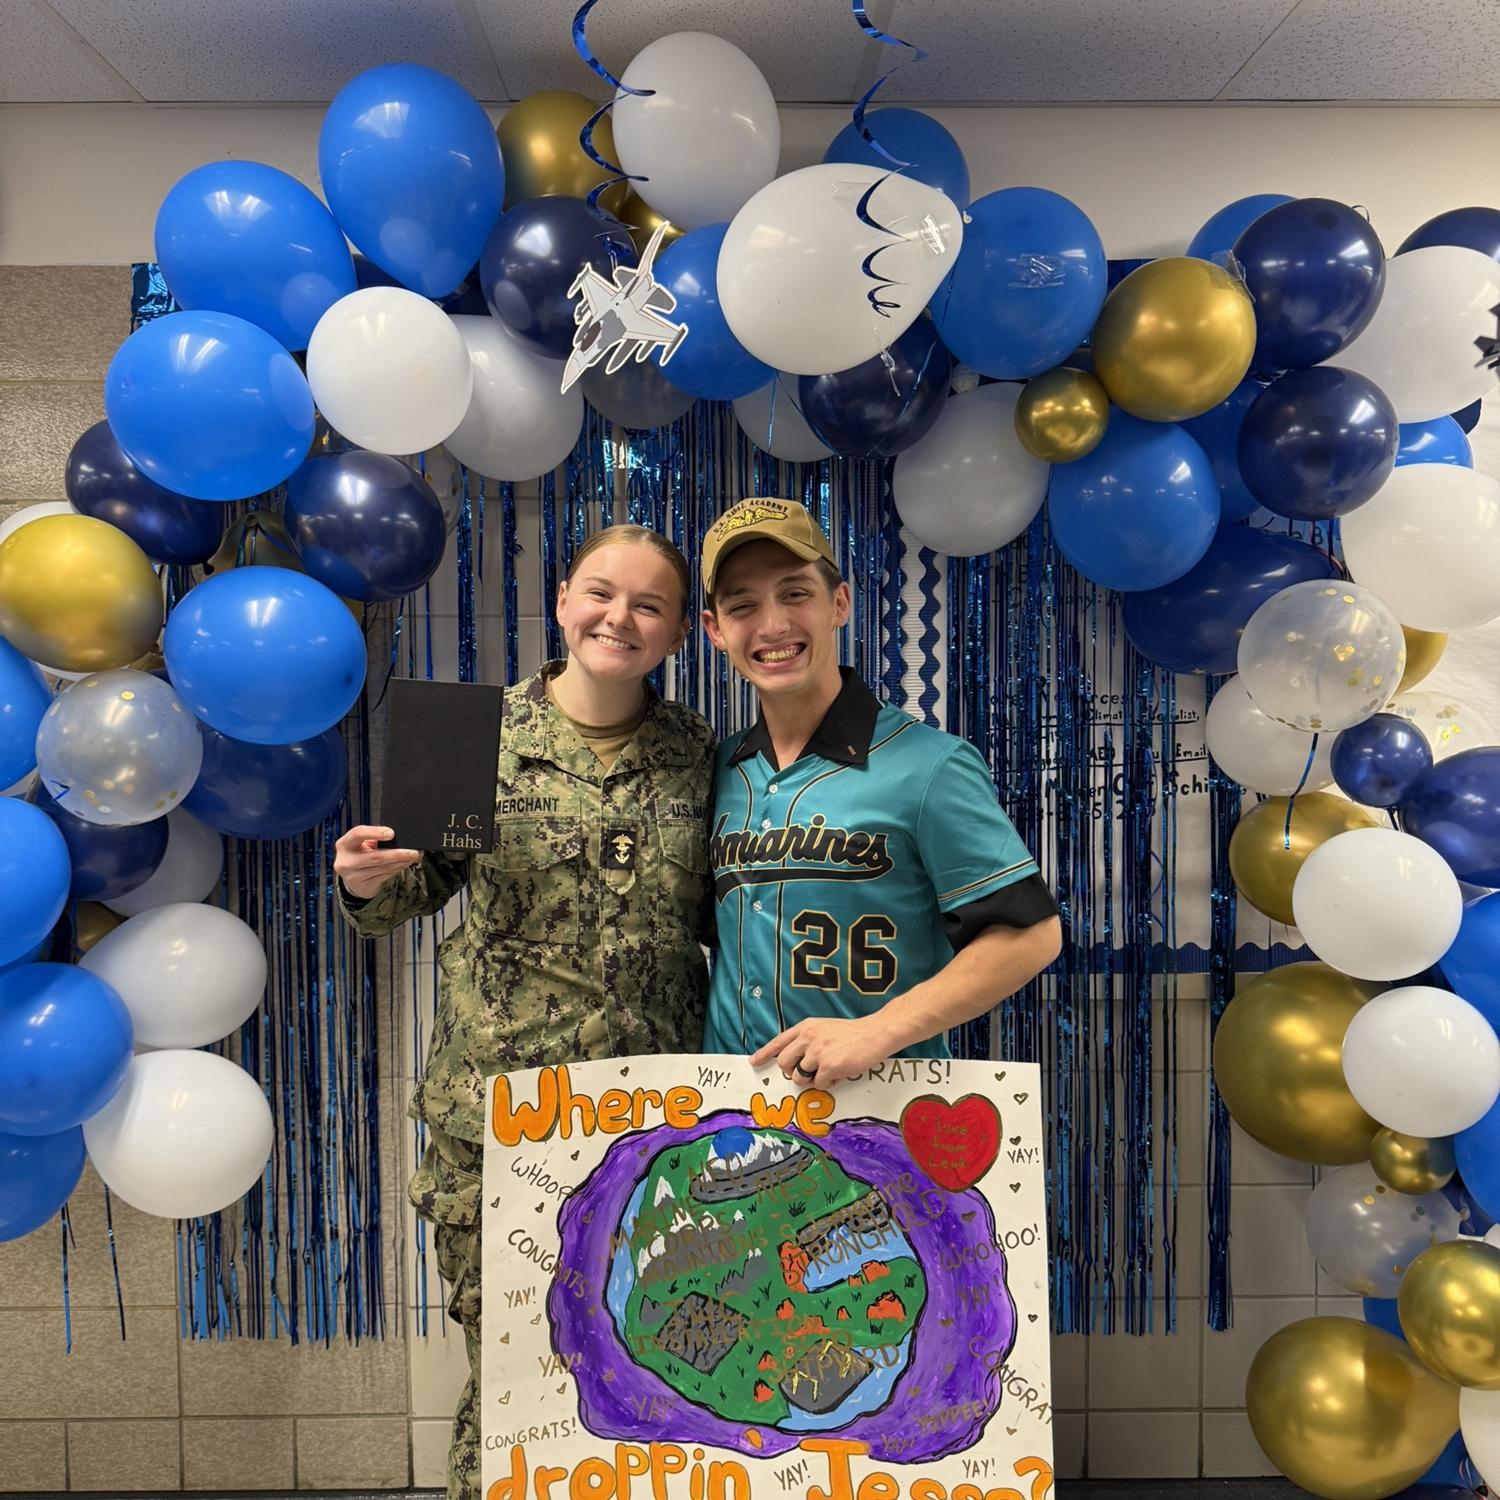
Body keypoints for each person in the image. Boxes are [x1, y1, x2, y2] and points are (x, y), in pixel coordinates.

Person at [334, 524, 714, 1500]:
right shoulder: (471, 737)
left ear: (679, 633)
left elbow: (728, 914)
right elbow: (411, 891)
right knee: (516, 1373)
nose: (619, 618)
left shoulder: (703, 756)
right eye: (601, 593)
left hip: (650, 1122)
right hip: (502, 1116)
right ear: (562, 601)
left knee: (653, 1367)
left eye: (649, 605)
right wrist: (365, 880)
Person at [698, 497, 1062, 1086]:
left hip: (876, 1111)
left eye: (796, 593)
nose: (772, 626)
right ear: (715, 630)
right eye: (742, 605)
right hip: (726, 1107)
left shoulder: (931, 765)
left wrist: (878, 1029)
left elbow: (1031, 935)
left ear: (839, 603)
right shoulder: (718, 768)